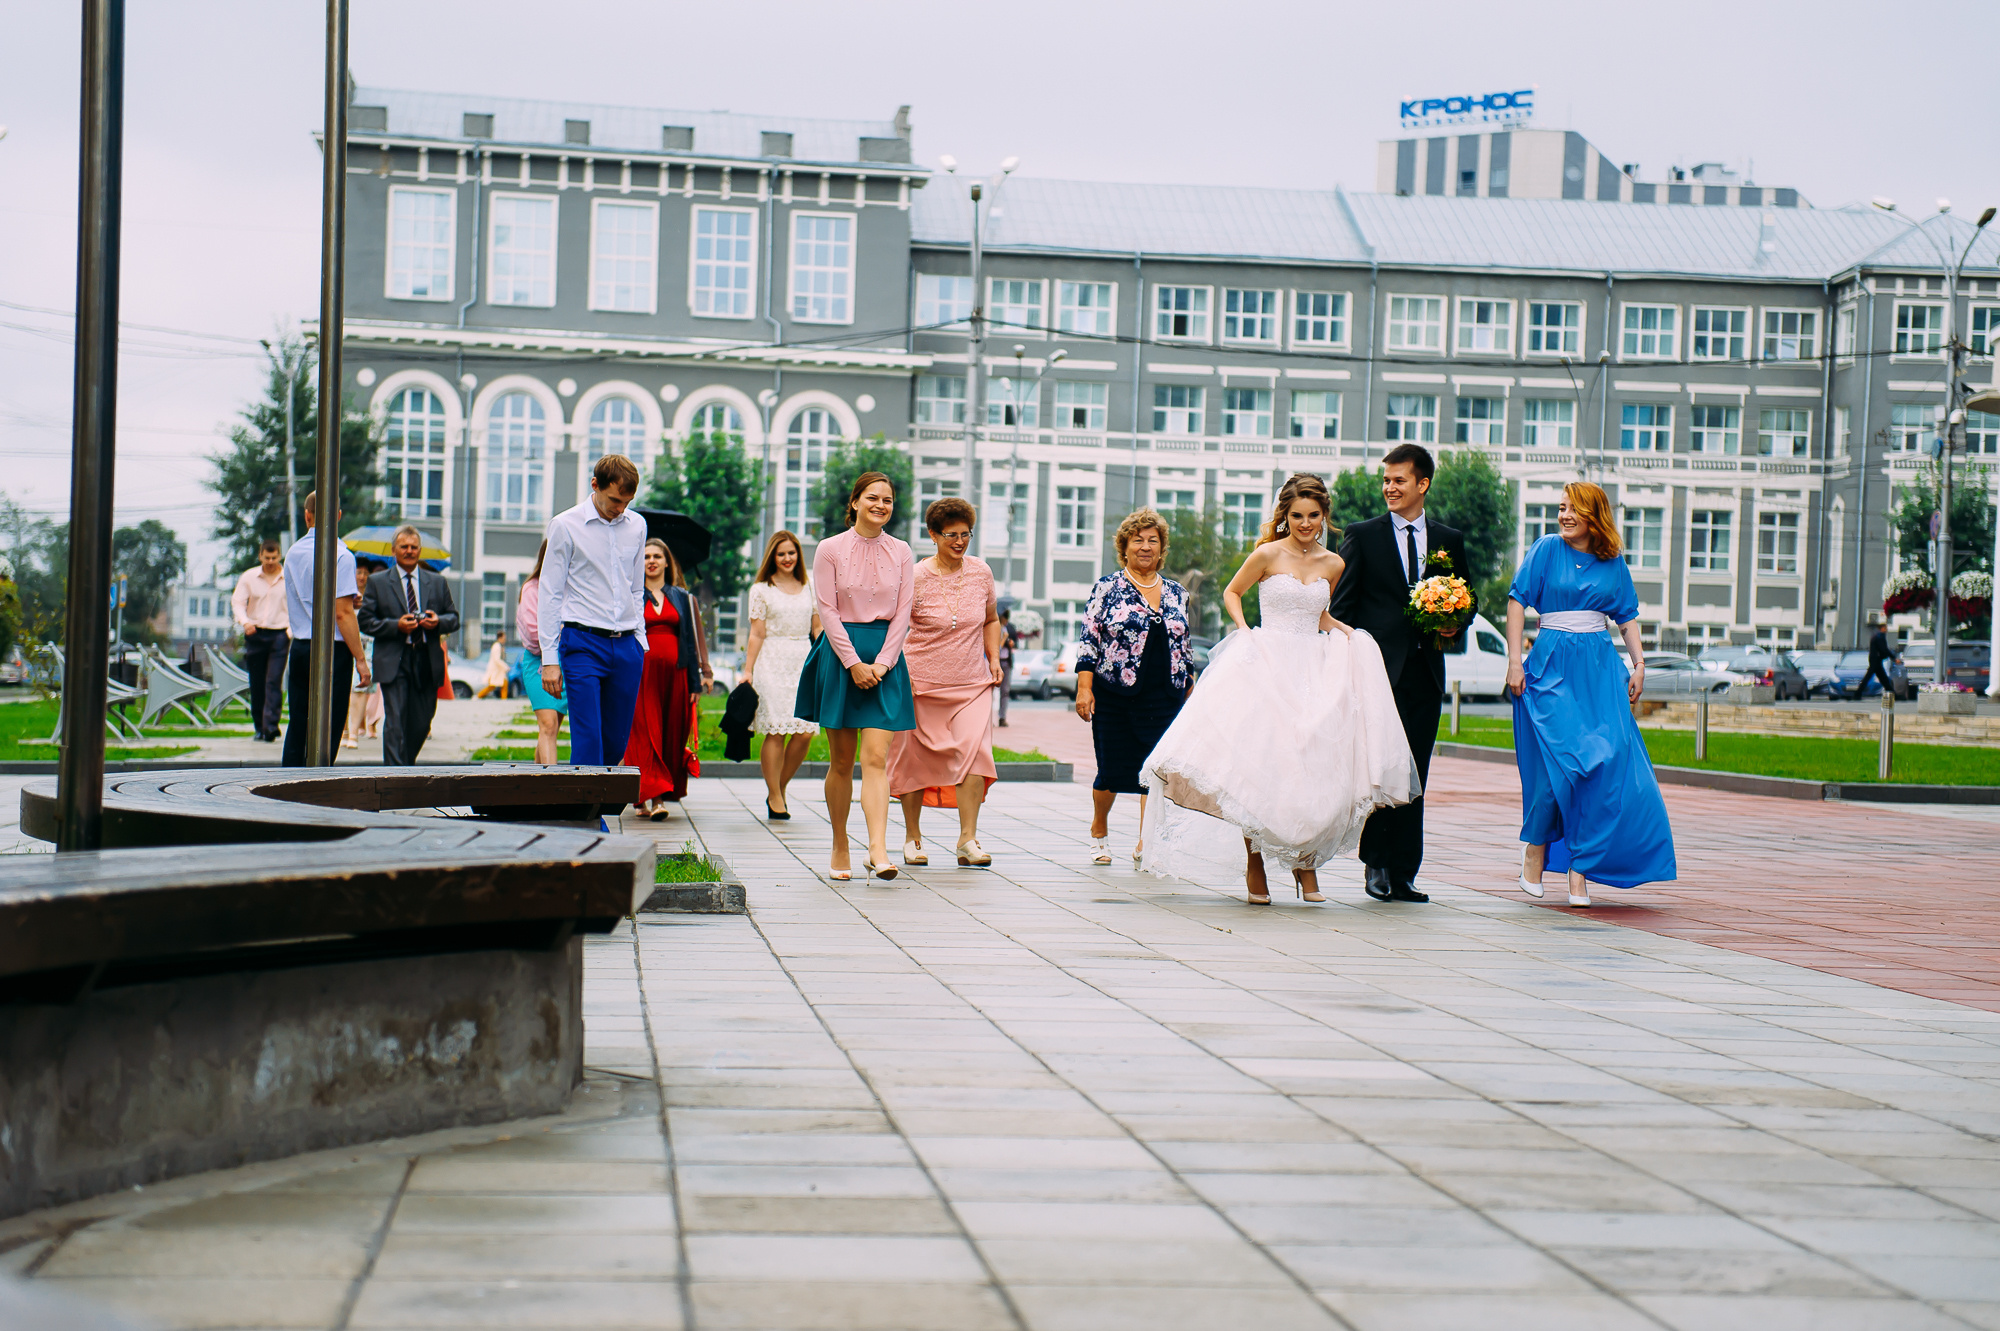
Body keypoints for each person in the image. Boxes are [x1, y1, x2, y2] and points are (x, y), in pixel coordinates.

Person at [1140, 474, 1419, 904]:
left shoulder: (1333, 563)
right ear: (1284, 516)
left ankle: (1304, 867)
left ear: (1323, 516)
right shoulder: (1267, 554)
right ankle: (1256, 866)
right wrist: (1244, 631)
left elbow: (1322, 616)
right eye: (1296, 516)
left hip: (1312, 668)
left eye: (1313, 516)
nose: (1305, 524)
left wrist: (1352, 636)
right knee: (1260, 767)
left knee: (1308, 768)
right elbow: (1234, 593)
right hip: (1265, 661)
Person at [1508, 481, 1677, 906]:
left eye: (1573, 509)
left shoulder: (1612, 561)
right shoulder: (1546, 548)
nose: (1564, 516)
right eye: (1561, 508)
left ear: (1593, 515)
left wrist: (1639, 663)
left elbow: (1627, 617)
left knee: (1607, 768)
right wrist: (1514, 660)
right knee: (1557, 770)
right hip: (1551, 669)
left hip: (1600, 671)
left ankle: (1579, 871)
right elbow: (1516, 601)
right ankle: (1534, 849)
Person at [1328, 442, 1470, 904]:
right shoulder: (1363, 534)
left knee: (1417, 772)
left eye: (1399, 480)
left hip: (1425, 673)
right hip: (1377, 674)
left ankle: (1406, 871)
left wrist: (1455, 621)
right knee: (1381, 770)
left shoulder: (1449, 539)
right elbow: (1343, 606)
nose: (1389, 488)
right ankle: (1377, 864)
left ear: (1422, 484)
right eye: (1386, 480)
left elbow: (1466, 601)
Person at [794, 471, 916, 881]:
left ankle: (878, 849)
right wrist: (853, 663)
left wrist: (883, 662)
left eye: (888, 500)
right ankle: (840, 843)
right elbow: (826, 610)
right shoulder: (829, 548)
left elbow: (903, 611)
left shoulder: (902, 551)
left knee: (877, 758)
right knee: (842, 761)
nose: (881, 505)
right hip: (841, 656)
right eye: (873, 498)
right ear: (855, 502)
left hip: (886, 657)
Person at [1073, 509, 1192, 867]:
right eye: (1137, 539)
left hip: (1165, 695)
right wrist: (1084, 687)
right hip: (1114, 693)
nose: (1145, 546)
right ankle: (1099, 829)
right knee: (1111, 769)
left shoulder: (1177, 593)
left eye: (1152, 540)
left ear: (1162, 548)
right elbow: (1089, 640)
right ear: (1124, 546)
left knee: (1154, 771)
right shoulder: (1107, 587)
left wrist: (1189, 686)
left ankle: (1146, 840)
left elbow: (1183, 645)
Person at [889, 498, 1004, 868]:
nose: (959, 541)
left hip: (971, 683)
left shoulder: (981, 572)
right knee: (914, 760)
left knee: (976, 756)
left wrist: (994, 658)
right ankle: (913, 838)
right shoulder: (915, 575)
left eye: (965, 534)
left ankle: (967, 840)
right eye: (951, 535)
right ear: (933, 535)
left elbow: (991, 619)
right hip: (920, 683)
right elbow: (895, 627)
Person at [538, 454, 646, 768]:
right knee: (589, 739)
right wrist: (549, 658)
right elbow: (550, 593)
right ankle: (587, 818)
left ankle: (598, 808)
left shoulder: (637, 525)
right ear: (594, 485)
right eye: (614, 499)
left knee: (615, 742)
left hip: (627, 646)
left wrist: (640, 640)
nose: (620, 508)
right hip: (582, 643)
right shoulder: (565, 525)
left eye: (627, 501)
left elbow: (636, 588)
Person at [280, 491, 371, 767]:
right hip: (333, 650)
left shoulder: (293, 553)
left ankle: (287, 784)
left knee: (298, 722)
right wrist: (361, 659)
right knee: (329, 725)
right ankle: (317, 783)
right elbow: (342, 614)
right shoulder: (341, 555)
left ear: (307, 516)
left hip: (301, 646)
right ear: (339, 515)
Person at [358, 525, 460, 767]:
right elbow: (365, 620)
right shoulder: (378, 582)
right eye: (404, 547)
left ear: (420, 550)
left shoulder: (436, 582)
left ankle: (405, 765)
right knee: (395, 718)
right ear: (394, 550)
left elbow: (453, 618)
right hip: (395, 658)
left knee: (422, 720)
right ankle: (394, 776)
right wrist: (396, 626)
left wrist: (437, 622)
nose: (409, 551)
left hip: (426, 659)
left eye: (414, 547)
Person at [741, 529, 820, 820]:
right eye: (781, 553)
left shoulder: (810, 586)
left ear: (798, 554)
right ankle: (775, 795)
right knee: (776, 731)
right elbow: (757, 633)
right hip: (771, 661)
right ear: (773, 556)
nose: (787, 558)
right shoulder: (761, 589)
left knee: (804, 731)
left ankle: (780, 786)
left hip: (802, 660)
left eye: (791, 552)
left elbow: (817, 628)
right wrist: (747, 671)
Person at [622, 538, 703, 819]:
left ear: (667, 562)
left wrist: (695, 682)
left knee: (670, 734)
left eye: (657, 556)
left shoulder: (681, 596)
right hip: (642, 674)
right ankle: (655, 799)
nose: (651, 561)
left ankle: (651, 793)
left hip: (676, 674)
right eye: (645, 557)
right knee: (647, 733)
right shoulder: (632, 595)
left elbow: (690, 642)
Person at [230, 537, 289, 742]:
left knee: (273, 680)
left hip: (280, 634)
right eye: (267, 557)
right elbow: (238, 601)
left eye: (274, 557)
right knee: (257, 682)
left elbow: (297, 602)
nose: (270, 562)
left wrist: (290, 630)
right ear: (260, 556)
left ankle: (271, 726)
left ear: (279, 556)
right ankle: (259, 727)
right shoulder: (249, 577)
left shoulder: (288, 577)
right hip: (255, 633)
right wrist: (245, 621)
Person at [516, 539, 567, 765]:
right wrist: (566, 631)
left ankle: (535, 785)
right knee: (548, 726)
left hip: (566, 664)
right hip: (539, 664)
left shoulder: (573, 588)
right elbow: (535, 634)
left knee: (552, 727)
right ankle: (552, 790)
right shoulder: (532, 588)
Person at [344, 557, 385, 749]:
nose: (361, 577)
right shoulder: (344, 593)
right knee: (343, 690)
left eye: (365, 573)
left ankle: (353, 733)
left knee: (359, 689)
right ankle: (344, 731)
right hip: (344, 645)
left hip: (368, 648)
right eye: (358, 572)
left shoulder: (375, 596)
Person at [1867, 618, 1900, 698]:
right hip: (1876, 659)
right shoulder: (1880, 637)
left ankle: (1893, 694)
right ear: (1882, 628)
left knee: (1883, 678)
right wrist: (1894, 658)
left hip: (1875, 659)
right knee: (1869, 677)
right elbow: (1884, 649)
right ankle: (1857, 694)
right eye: (1885, 628)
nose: (1886, 630)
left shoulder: (1877, 636)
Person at [996, 607, 1016, 728]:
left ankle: (1002, 717)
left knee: (1005, 691)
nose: (1006, 620)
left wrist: (1010, 642)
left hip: (1006, 662)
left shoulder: (1007, 628)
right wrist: (1003, 638)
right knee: (990, 692)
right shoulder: (995, 628)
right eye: (1005, 617)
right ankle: (987, 719)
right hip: (996, 662)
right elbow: (997, 648)